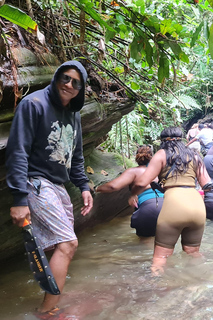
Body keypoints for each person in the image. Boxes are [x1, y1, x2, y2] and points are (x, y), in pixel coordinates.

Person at [5, 60, 94, 317]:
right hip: (35, 182)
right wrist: (19, 199)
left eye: (76, 83)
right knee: (68, 244)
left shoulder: (74, 114)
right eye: (65, 78)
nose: (69, 85)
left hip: (58, 185)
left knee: (57, 246)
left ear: (81, 89)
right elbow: (17, 151)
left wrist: (84, 186)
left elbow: (75, 156)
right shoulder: (33, 104)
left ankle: (46, 298)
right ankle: (47, 311)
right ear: (56, 77)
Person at [132, 127, 213, 274]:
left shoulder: (162, 154)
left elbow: (141, 183)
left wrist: (132, 195)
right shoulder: (194, 155)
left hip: (174, 204)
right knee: (192, 252)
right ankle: (198, 284)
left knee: (161, 256)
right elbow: (207, 185)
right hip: (197, 206)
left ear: (163, 141)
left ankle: (157, 289)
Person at [95, 145, 162, 237]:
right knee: (165, 242)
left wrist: (96, 188)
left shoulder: (133, 172)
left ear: (136, 157)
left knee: (146, 244)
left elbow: (113, 186)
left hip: (149, 208)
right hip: (167, 206)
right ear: (152, 157)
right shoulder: (159, 171)